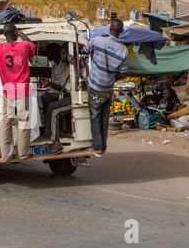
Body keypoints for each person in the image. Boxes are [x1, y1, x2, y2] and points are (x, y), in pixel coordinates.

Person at [0, 24, 36, 162]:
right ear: (15, 34)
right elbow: (31, 45)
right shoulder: (23, 46)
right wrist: (22, 34)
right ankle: (22, 155)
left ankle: (6, 155)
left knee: (6, 123)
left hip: (8, 89)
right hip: (22, 89)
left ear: (4, 35)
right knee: (23, 123)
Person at [83, 19, 129, 156]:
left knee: (95, 117)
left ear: (109, 29)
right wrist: (112, 79)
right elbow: (122, 72)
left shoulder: (98, 41)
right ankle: (102, 147)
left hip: (95, 86)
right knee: (104, 117)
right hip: (108, 88)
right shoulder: (124, 50)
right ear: (121, 31)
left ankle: (97, 146)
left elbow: (83, 50)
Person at [42, 48, 86, 155]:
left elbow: (79, 82)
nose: (61, 56)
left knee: (53, 109)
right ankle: (48, 129)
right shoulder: (65, 67)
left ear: (70, 54)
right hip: (66, 94)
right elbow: (62, 88)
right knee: (45, 97)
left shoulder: (80, 63)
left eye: (63, 54)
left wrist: (75, 63)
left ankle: (56, 142)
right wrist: (49, 84)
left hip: (75, 97)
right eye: (60, 53)